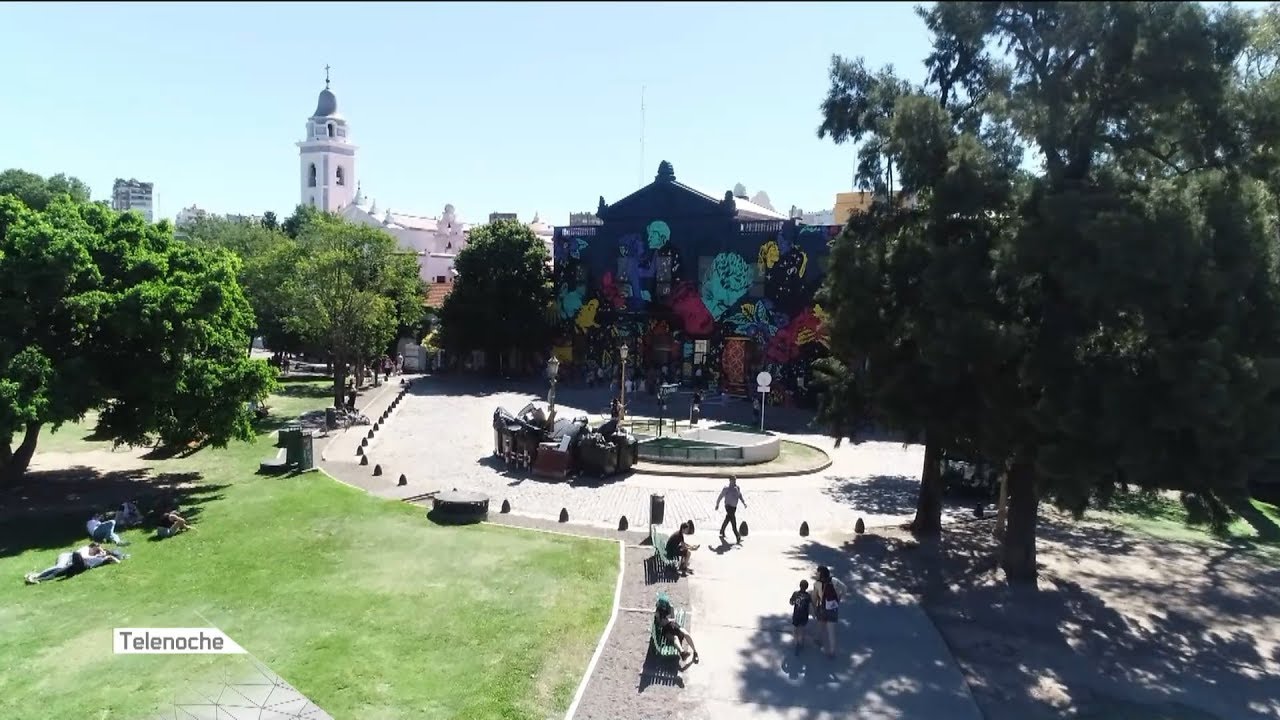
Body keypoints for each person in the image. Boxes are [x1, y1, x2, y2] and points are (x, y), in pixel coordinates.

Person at [24, 543, 121, 584]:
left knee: (60, 571)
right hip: (67, 556)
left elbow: (117, 561)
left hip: (73, 563)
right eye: (98, 548)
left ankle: (36, 577)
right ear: (93, 547)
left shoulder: (100, 557)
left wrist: (107, 556)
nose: (100, 551)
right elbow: (82, 556)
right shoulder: (86, 549)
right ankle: (36, 576)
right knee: (60, 566)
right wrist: (100, 553)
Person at [654, 596, 700, 664]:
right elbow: (661, 624)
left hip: (674, 625)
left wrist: (667, 620)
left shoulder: (670, 607)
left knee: (686, 633)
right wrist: (667, 620)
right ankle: (682, 653)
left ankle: (695, 652)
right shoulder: (658, 612)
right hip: (666, 629)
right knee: (675, 638)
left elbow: (672, 618)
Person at [814, 565, 841, 658]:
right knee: (831, 631)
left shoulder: (817, 584)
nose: (816, 574)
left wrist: (815, 607)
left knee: (821, 623)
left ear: (820, 575)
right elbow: (844, 589)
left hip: (823, 608)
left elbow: (815, 597)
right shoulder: (834, 581)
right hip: (833, 609)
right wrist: (838, 598)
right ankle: (832, 652)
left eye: (817, 572)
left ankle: (818, 639)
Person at [715, 477, 746, 544]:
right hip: (728, 506)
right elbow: (720, 497)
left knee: (728, 518)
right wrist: (717, 504)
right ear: (730, 481)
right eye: (733, 480)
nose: (734, 482)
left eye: (735, 480)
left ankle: (722, 531)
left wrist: (744, 503)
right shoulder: (726, 489)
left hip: (734, 507)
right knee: (733, 521)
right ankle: (737, 536)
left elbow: (740, 495)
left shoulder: (737, 488)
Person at [789, 579, 812, 653]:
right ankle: (801, 642)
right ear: (807, 587)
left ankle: (796, 643)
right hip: (804, 615)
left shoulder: (795, 594)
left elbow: (791, 602)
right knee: (801, 629)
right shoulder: (808, 596)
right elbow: (810, 605)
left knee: (795, 629)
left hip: (796, 614)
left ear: (800, 586)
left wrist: (794, 601)